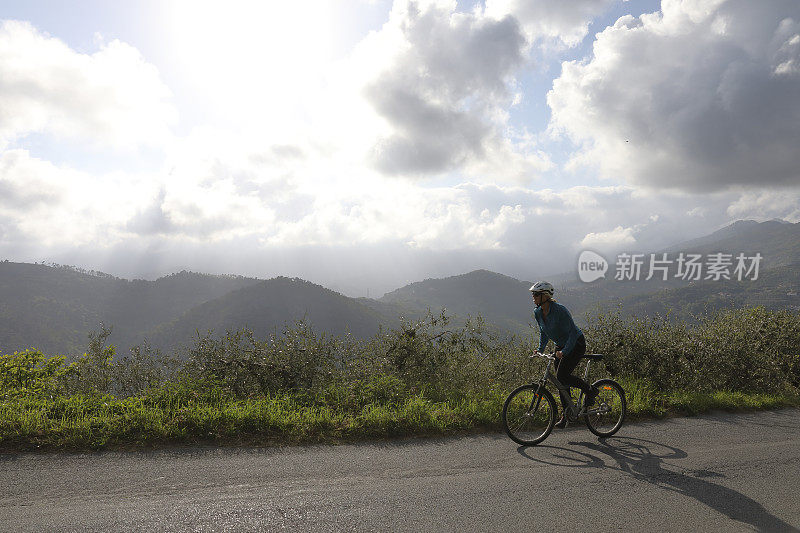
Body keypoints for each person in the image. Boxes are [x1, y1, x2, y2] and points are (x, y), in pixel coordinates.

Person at [530, 281, 598, 428]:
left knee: (562, 376)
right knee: (561, 382)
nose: (533, 297)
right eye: (533, 294)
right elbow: (544, 332)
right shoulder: (537, 312)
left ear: (545, 296)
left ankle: (590, 390)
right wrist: (540, 350)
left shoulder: (560, 310)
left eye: (536, 294)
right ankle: (567, 414)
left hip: (576, 343)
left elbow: (573, 333)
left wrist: (564, 352)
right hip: (560, 345)